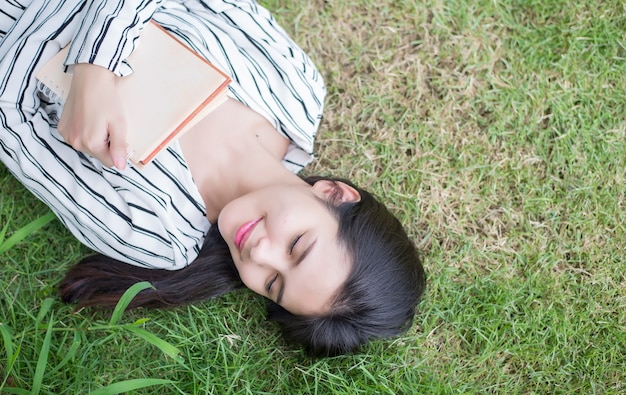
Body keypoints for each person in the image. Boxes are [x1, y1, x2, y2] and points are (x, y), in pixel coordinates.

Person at [0, 0, 426, 356]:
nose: (260, 255)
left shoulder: (154, 233)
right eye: (297, 246)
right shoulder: (295, 89)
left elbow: (11, 120)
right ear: (334, 193)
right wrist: (95, 67)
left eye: (273, 284)